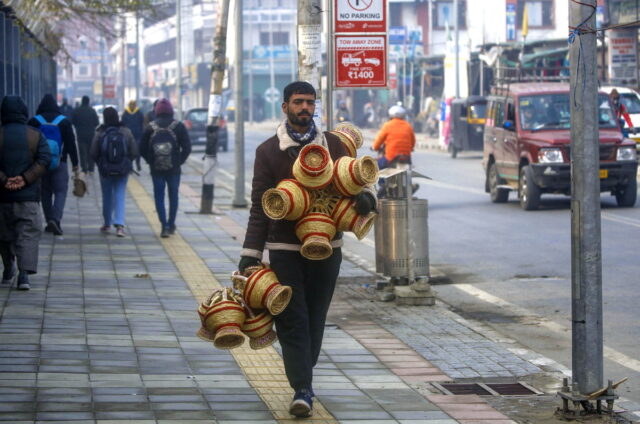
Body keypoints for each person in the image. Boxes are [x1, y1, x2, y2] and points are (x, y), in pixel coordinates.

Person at [238, 81, 376, 418]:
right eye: (298, 102)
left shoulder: (336, 147)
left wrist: (366, 199)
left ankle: (303, 374)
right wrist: (250, 254)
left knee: (315, 318)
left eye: (310, 103)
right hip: (284, 248)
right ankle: (302, 389)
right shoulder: (268, 151)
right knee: (292, 317)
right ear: (284, 106)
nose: (305, 108)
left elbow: (364, 184)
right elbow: (259, 208)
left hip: (329, 248)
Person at [0, 96, 52, 290]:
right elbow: (45, 159)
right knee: (27, 234)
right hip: (28, 197)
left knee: (4, 235)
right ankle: (24, 275)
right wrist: (25, 178)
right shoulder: (35, 135)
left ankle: (8, 268)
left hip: (2, 197)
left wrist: (5, 180)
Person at [28, 94, 80, 236]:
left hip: (40, 164)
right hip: (60, 162)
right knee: (60, 191)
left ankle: (49, 219)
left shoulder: (34, 121)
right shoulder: (63, 121)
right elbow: (70, 144)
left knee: (45, 192)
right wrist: (75, 164)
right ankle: (56, 220)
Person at [139, 98, 191, 238]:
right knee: (173, 196)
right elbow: (187, 147)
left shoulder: (151, 127)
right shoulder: (178, 126)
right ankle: (172, 223)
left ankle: (164, 226)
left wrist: (150, 161)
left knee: (159, 196)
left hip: (156, 169)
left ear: (157, 111)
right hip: (174, 169)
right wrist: (179, 161)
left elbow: (141, 147)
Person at [90, 107, 138, 237]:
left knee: (107, 195)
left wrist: (100, 163)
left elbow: (93, 152)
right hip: (122, 170)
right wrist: (126, 162)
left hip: (105, 170)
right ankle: (120, 226)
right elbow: (134, 151)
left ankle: (107, 224)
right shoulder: (126, 131)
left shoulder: (100, 132)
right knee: (120, 194)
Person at [372, 104, 416, 169]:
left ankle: (381, 179)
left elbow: (379, 139)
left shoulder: (387, 125)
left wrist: (375, 147)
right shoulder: (408, 126)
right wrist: (411, 148)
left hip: (390, 157)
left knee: (375, 167)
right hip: (406, 158)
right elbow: (413, 141)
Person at [72, 95, 100, 174]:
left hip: (80, 134)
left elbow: (73, 121)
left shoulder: (77, 111)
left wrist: (78, 126)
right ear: (88, 101)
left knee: (82, 152)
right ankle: (91, 168)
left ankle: (84, 169)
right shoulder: (92, 111)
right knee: (91, 151)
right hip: (91, 134)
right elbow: (97, 123)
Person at [121, 99, 145, 171]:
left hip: (128, 135)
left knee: (129, 150)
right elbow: (142, 124)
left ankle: (131, 166)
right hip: (137, 134)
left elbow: (123, 125)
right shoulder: (139, 113)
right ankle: (137, 164)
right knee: (137, 150)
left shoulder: (125, 113)